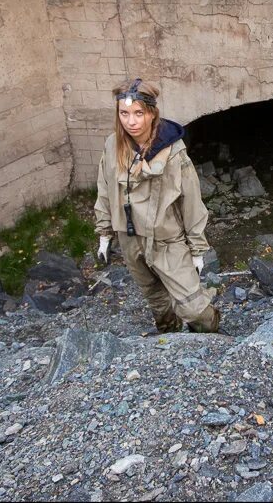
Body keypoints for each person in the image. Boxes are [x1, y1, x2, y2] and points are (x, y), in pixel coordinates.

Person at [94, 78, 220, 333]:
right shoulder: (112, 146)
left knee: (193, 307)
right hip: (129, 238)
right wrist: (104, 233)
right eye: (124, 113)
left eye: (139, 113)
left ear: (151, 113)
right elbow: (105, 189)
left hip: (166, 241)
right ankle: (169, 340)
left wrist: (197, 249)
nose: (131, 121)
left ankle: (212, 335)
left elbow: (191, 201)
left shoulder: (173, 153)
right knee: (156, 299)